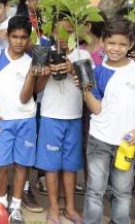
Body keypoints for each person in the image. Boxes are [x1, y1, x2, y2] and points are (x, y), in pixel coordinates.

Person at [32, 18, 93, 223]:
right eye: (60, 33)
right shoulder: (45, 52)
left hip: (74, 117)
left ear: (76, 33)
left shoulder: (82, 55)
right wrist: (47, 71)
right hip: (51, 117)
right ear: (53, 34)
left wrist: (72, 68)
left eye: (69, 33)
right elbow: (36, 88)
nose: (64, 38)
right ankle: (54, 209)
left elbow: (88, 86)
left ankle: (70, 208)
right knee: (51, 166)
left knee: (70, 166)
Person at [76, 17, 135, 224]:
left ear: (131, 44)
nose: (116, 48)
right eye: (111, 43)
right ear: (102, 42)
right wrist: (85, 87)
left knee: (122, 192)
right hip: (99, 140)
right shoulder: (97, 72)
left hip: (127, 144)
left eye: (122, 44)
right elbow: (96, 109)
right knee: (95, 190)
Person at [0, 16, 38, 223]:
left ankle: (16, 206)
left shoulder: (33, 61)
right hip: (2, 120)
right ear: (8, 36)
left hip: (27, 119)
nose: (19, 41)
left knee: (22, 164)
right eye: (15, 37)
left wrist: (37, 74)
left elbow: (32, 94)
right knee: (1, 165)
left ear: (28, 38)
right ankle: (1, 202)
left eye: (23, 37)